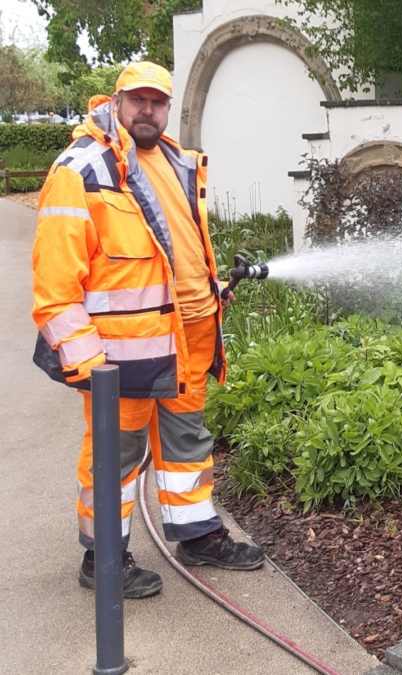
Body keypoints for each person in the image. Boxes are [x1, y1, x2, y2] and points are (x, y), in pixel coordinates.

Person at [31, 61, 264, 599]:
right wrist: (91, 366)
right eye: (137, 100)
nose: (147, 110)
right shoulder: (81, 169)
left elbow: (178, 247)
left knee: (187, 445)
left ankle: (198, 535)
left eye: (157, 101)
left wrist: (208, 293)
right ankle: (103, 559)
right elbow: (54, 290)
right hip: (121, 355)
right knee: (116, 455)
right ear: (116, 102)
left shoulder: (179, 162)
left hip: (189, 337)